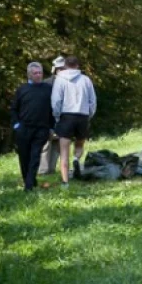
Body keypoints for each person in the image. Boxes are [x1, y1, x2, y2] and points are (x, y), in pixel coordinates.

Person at [51, 56, 97, 189]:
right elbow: (92, 100)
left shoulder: (59, 79)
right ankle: (77, 159)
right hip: (82, 116)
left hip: (66, 116)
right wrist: (89, 114)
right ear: (77, 65)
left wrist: (57, 117)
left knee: (64, 150)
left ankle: (65, 182)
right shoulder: (86, 79)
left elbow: (56, 101)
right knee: (79, 143)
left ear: (64, 65)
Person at [10, 62, 53, 192]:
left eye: (40, 73)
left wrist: (52, 127)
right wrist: (16, 125)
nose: (38, 75)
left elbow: (54, 108)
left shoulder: (48, 88)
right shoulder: (22, 89)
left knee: (35, 155)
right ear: (29, 74)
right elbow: (14, 109)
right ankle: (29, 180)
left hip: (41, 128)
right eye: (35, 73)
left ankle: (28, 186)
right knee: (24, 156)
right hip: (24, 128)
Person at [37, 56, 65, 177]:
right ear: (56, 70)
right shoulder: (46, 84)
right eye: (60, 69)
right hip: (46, 120)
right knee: (45, 146)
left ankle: (51, 170)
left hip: (62, 120)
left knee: (57, 146)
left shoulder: (68, 84)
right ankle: (43, 171)